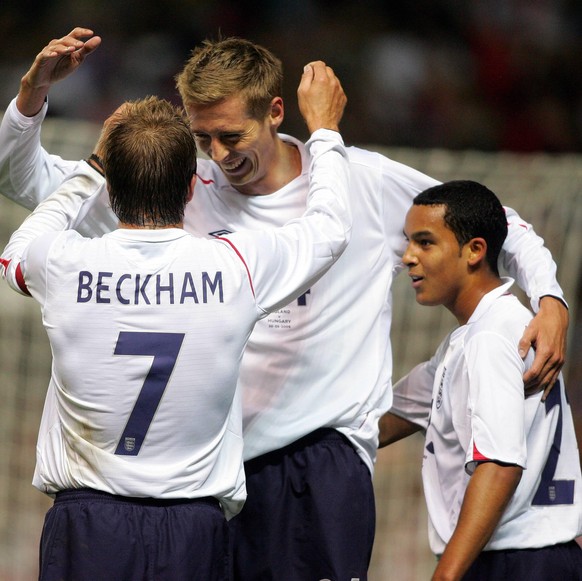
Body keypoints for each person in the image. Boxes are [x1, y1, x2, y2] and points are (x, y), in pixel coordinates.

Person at [0, 28, 570, 580]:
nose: (217, 156)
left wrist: (549, 297)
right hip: (210, 479)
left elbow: (501, 222)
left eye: (230, 136)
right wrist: (30, 101)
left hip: (314, 469)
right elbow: (30, 182)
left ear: (274, 112)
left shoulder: (360, 182)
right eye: (202, 139)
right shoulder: (181, 191)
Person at [0, 74, 352, 580]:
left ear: (112, 186)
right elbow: (331, 228)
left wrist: (91, 169)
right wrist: (325, 132)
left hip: (89, 523)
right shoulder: (237, 266)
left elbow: (16, 249)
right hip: (194, 528)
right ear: (192, 188)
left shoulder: (63, 264)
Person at [378, 180, 582, 581]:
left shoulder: (490, 338)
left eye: (425, 243)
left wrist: (447, 574)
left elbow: (500, 464)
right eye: (408, 242)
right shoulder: (482, 333)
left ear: (475, 250)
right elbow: (384, 417)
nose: (408, 258)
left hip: (515, 561)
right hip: (537, 556)